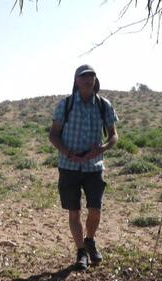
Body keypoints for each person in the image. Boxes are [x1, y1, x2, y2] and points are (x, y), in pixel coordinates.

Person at [49, 64, 119, 270]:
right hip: (68, 166)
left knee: (95, 210)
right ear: (76, 81)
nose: (89, 79)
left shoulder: (104, 105)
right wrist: (68, 152)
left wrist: (102, 148)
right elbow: (53, 135)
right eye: (84, 76)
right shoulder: (66, 105)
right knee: (74, 212)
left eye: (92, 76)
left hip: (94, 167)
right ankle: (80, 252)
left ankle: (90, 240)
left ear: (96, 80)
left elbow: (113, 135)